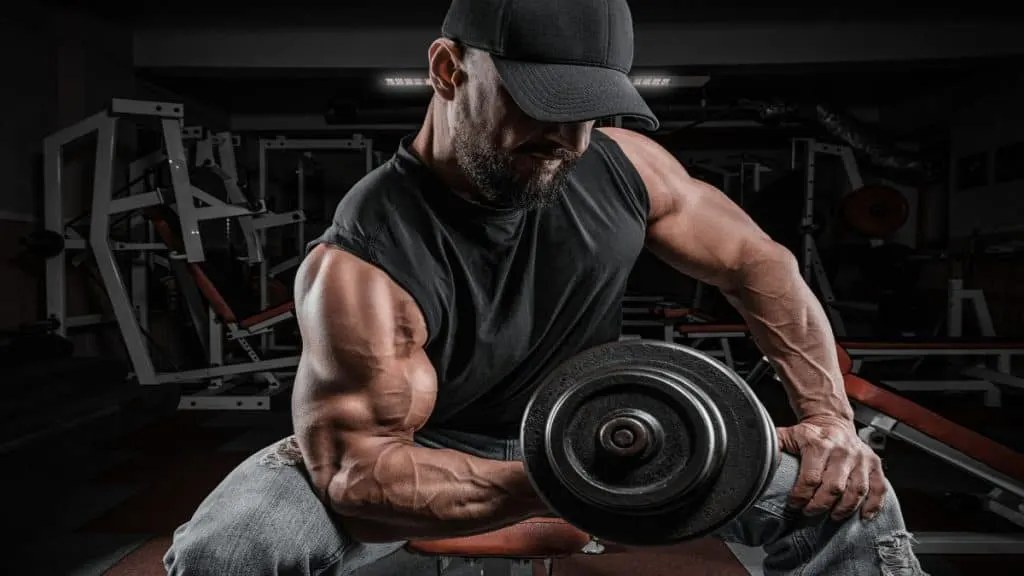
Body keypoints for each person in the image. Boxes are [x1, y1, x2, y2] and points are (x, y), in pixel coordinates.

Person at [165, 0, 927, 574]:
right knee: (232, 546)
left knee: (851, 499)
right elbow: (359, 470)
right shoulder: (363, 258)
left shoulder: (626, 166)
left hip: (591, 422)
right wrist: (577, 476)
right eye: (545, 106)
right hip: (419, 446)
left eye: (592, 111)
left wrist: (828, 421)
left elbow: (760, 266)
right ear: (447, 70)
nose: (571, 141)